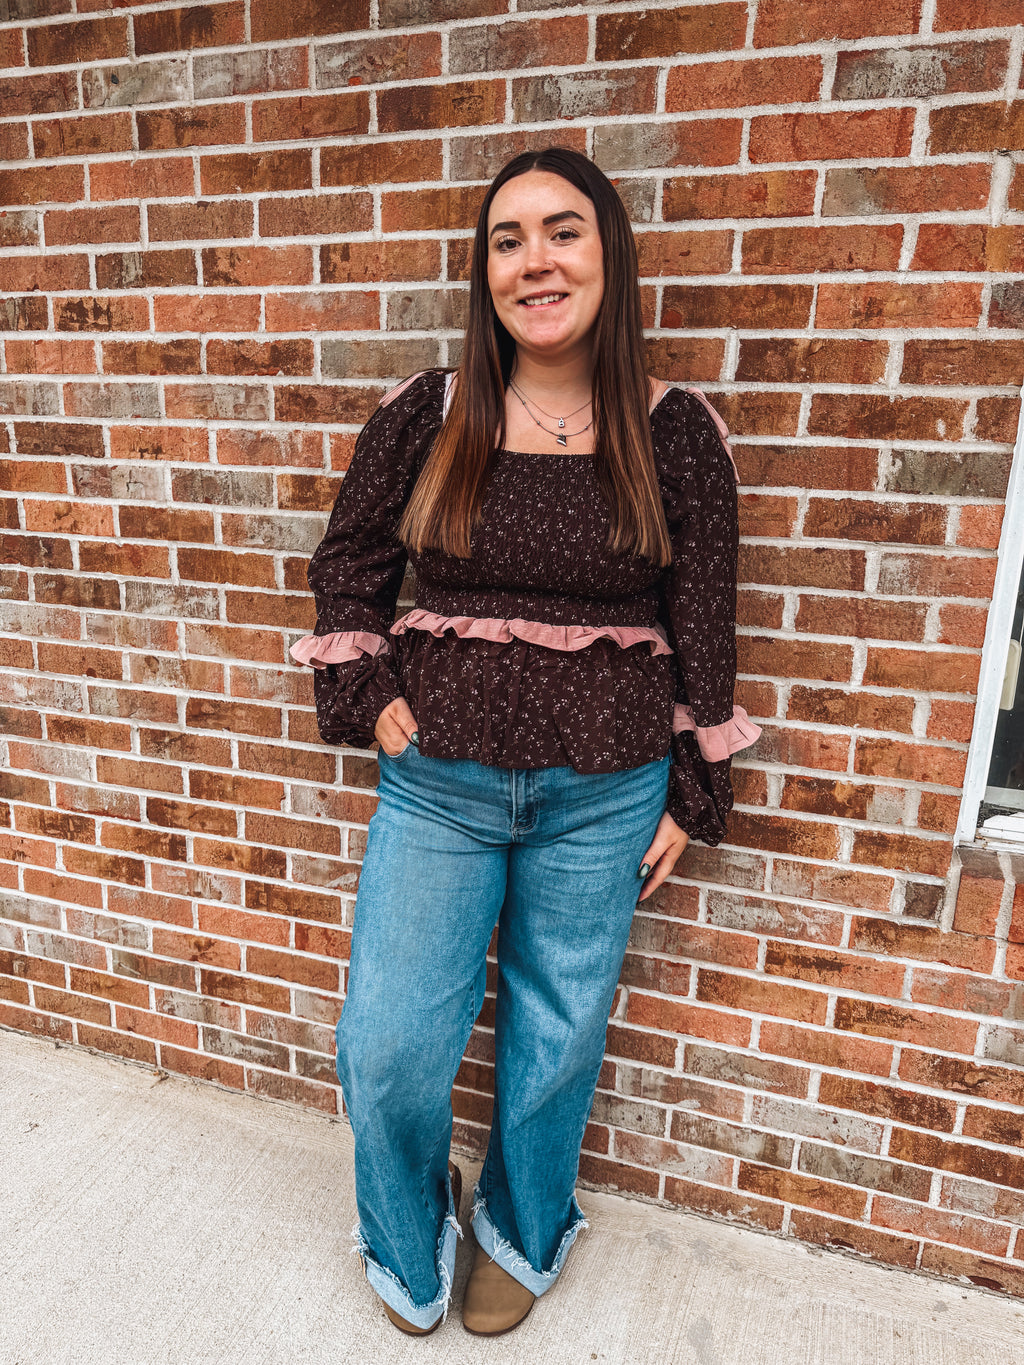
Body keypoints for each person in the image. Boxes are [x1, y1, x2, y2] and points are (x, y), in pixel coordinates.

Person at [290, 145, 759, 1338]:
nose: (534, 262)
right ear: (484, 270)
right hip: (438, 788)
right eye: (508, 240)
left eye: (562, 232)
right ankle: (409, 1228)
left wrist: (690, 791)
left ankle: (521, 1223)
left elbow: (702, 621)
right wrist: (367, 689)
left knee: (556, 1037)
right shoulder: (429, 411)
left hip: (606, 794)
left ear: (608, 257)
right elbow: (349, 566)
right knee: (388, 1044)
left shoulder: (674, 432)